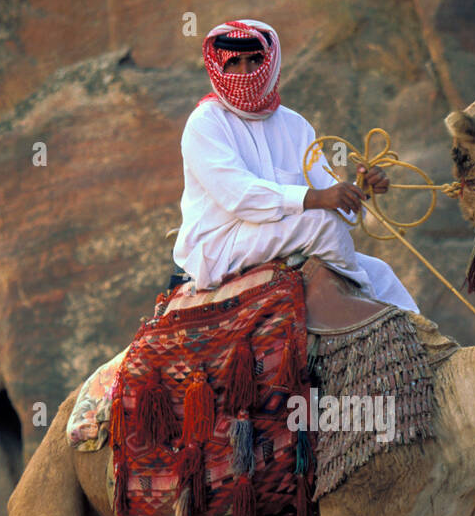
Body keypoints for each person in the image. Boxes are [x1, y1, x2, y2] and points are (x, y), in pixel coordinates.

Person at [168, 18, 419, 312]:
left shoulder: (295, 125)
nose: (245, 72)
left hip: (285, 235)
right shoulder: (205, 123)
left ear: (270, 62)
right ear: (219, 67)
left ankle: (421, 337)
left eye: (255, 60)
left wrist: (359, 191)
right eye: (234, 62)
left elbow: (333, 201)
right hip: (222, 246)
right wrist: (316, 199)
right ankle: (368, 312)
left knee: (381, 271)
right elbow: (240, 196)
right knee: (321, 223)